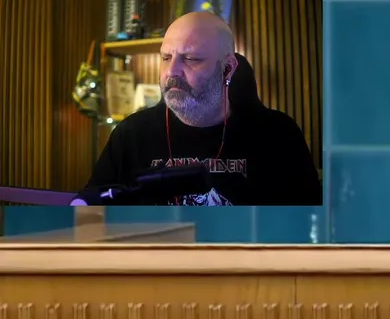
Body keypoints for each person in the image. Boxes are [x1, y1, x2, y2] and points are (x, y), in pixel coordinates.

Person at [72, 12, 320, 206]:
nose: (171, 72)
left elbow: (307, 226)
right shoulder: (131, 134)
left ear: (227, 68)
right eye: (166, 58)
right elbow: (91, 216)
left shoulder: (278, 134)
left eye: (191, 59)